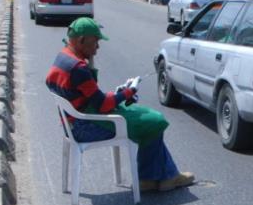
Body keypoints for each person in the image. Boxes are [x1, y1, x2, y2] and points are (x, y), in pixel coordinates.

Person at [46, 17, 194, 192]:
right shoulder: (78, 68)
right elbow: (102, 105)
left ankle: (160, 177)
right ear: (81, 40)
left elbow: (90, 96)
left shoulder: (63, 57)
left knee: (149, 120)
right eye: (95, 42)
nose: (97, 48)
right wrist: (129, 92)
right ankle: (157, 178)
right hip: (85, 126)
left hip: (73, 123)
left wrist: (117, 93)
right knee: (154, 121)